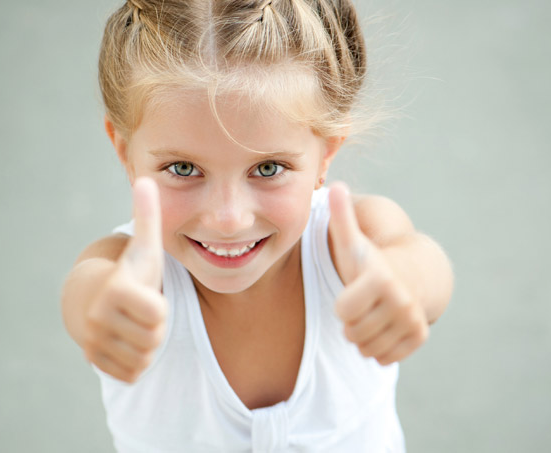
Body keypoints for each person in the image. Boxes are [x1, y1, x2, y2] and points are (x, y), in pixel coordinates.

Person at [62, 0, 454, 451]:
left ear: (326, 152)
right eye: (184, 168)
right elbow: (87, 295)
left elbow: (420, 264)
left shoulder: (356, 241)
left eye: (268, 169)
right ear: (123, 150)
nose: (228, 219)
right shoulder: (122, 270)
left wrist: (404, 284)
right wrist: (103, 310)